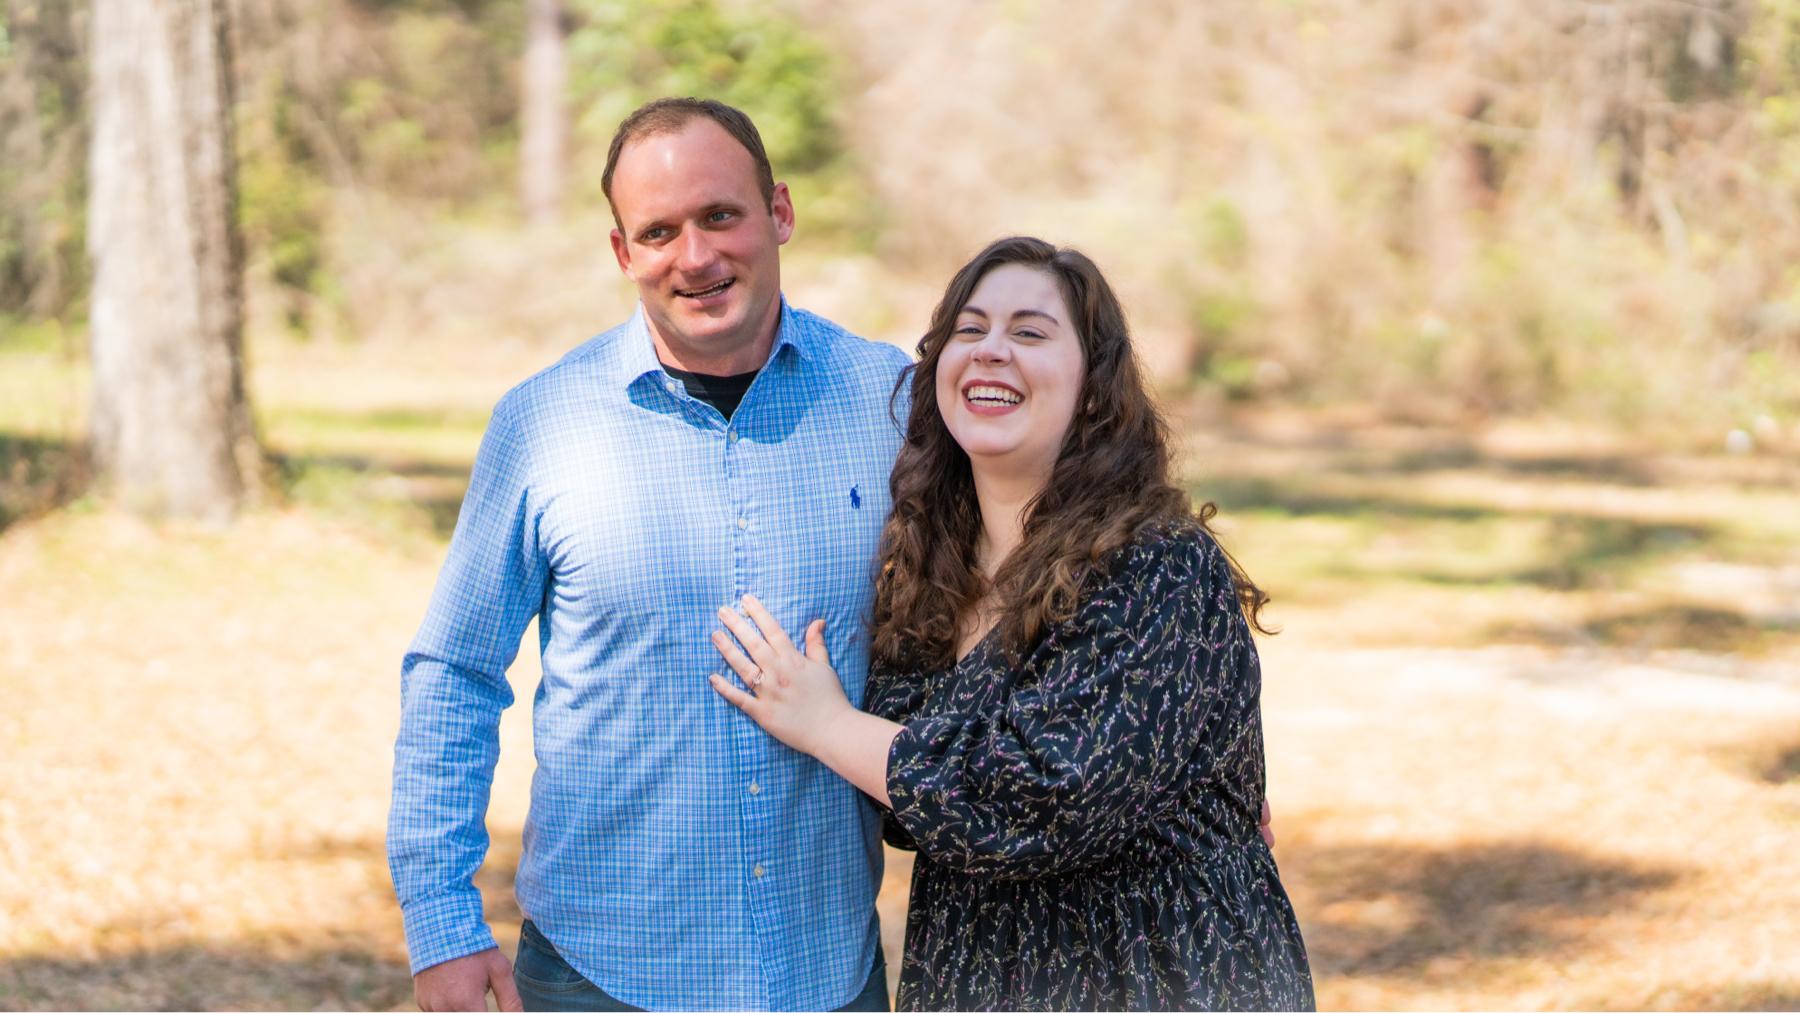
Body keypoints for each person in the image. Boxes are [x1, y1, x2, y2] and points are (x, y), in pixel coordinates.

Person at [386, 97, 911, 1012]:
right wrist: (441, 924)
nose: (696, 257)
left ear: (779, 212)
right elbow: (455, 670)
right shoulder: (544, 423)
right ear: (623, 252)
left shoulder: (890, 403)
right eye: (658, 231)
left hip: (829, 966)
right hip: (601, 974)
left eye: (721, 215)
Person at [708, 236, 1316, 1010]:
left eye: (1030, 333)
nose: (993, 350)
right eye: (971, 329)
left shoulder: (1157, 565)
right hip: (975, 973)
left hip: (1156, 975)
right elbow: (914, 808)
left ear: (1094, 386)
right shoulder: (931, 567)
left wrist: (827, 725)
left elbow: (1033, 802)